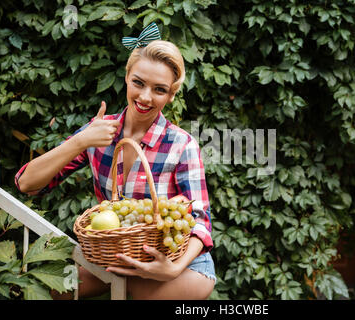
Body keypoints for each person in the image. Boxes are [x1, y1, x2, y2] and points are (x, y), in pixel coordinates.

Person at [14, 23, 215, 300]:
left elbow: (200, 221)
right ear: (126, 77)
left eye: (159, 90)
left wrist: (172, 268)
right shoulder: (99, 131)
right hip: (114, 259)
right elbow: (27, 183)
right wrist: (81, 141)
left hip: (182, 267)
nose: (145, 97)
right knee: (50, 291)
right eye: (138, 83)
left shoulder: (181, 145)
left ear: (171, 95)